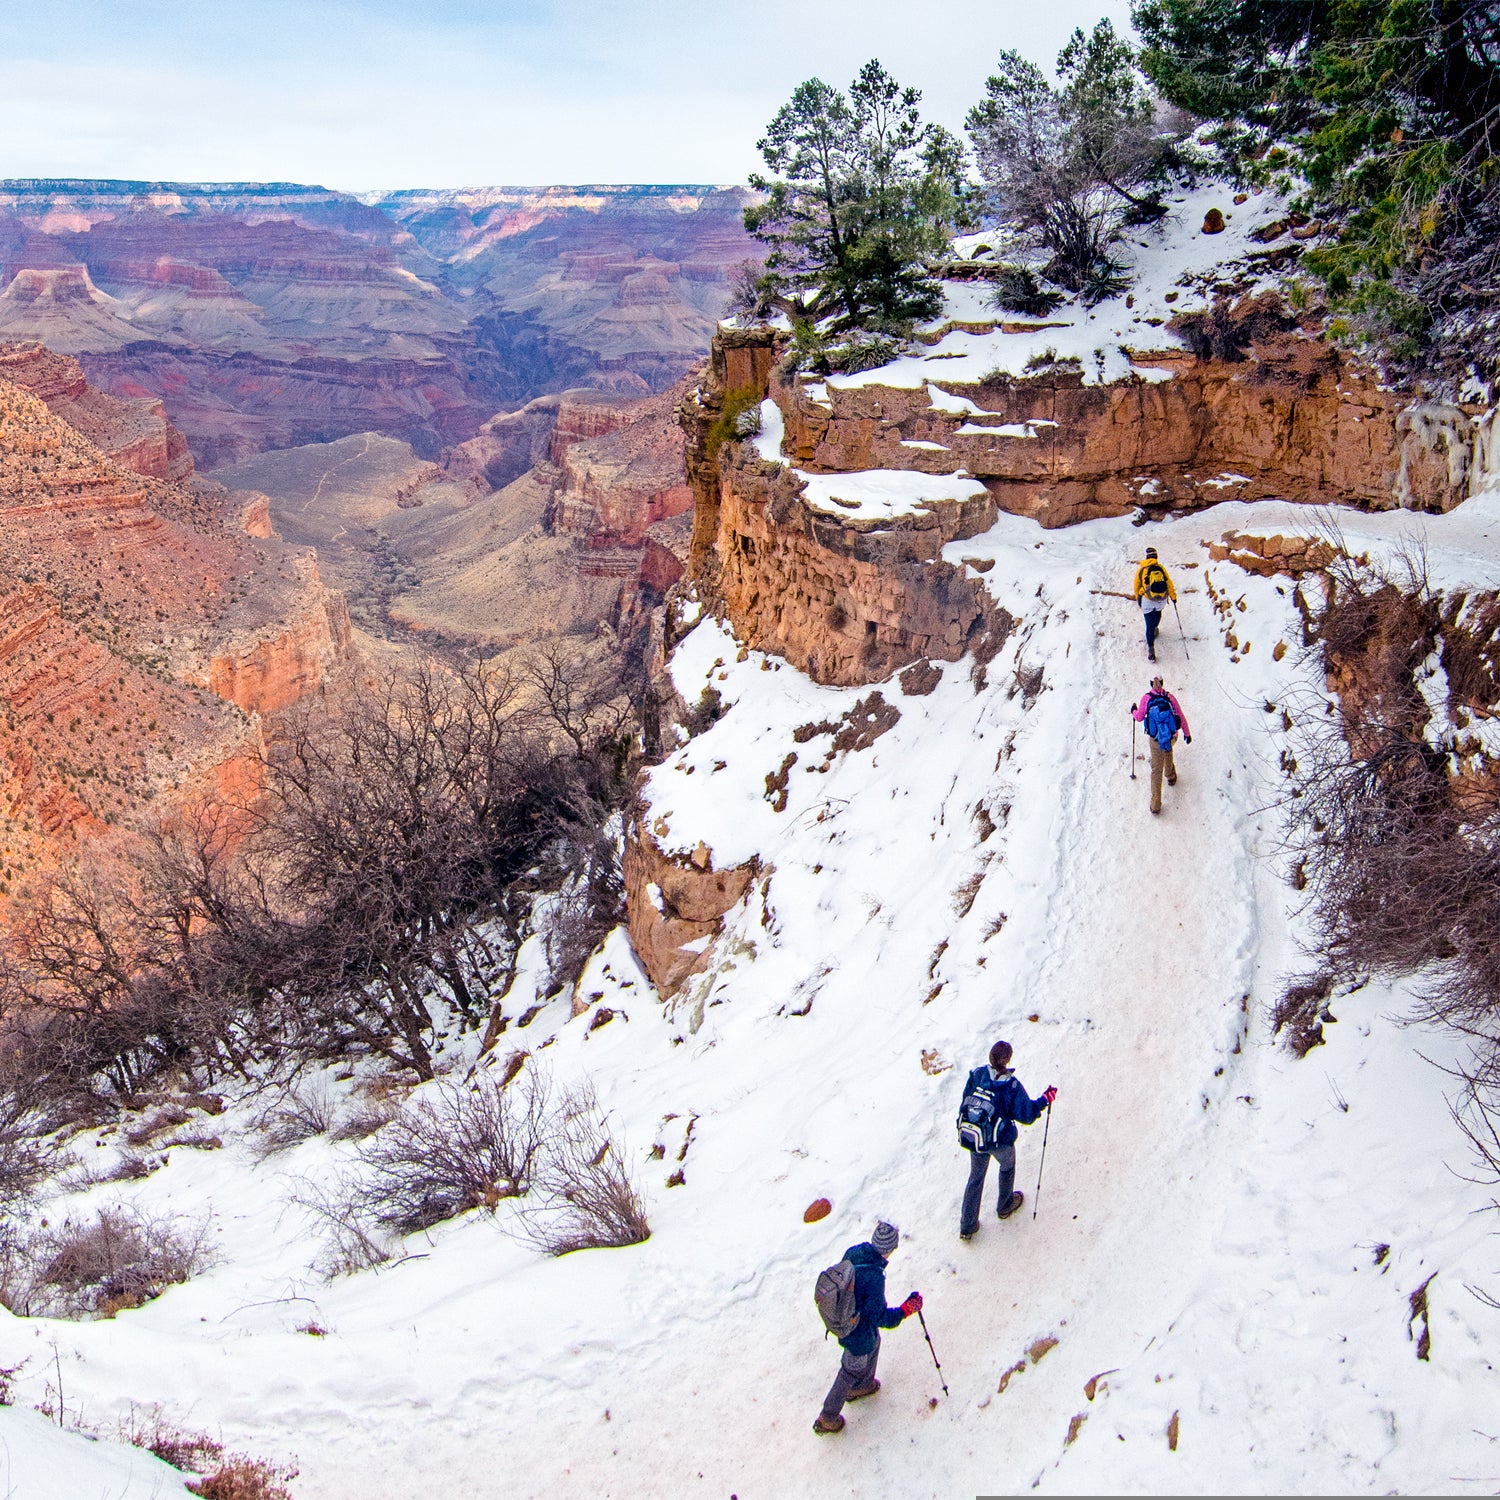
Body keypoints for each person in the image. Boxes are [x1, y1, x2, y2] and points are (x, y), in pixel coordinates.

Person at [814, 1220, 922, 1435]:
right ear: (889, 1250)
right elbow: (880, 1317)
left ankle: (863, 1384)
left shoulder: (855, 1253)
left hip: (852, 1320)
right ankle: (828, 1417)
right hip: (856, 1332)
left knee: (875, 1341)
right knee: (850, 1369)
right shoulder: (873, 1277)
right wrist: (905, 1310)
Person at [957, 1041, 1056, 1240]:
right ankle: (1005, 1205)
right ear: (1007, 1059)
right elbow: (1026, 1114)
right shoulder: (1011, 1085)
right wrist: (1045, 1099)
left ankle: (967, 1226)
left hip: (975, 1136)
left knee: (975, 1176)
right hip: (999, 1140)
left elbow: (965, 1099)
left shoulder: (977, 1074)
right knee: (1007, 1165)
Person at [1131, 675, 1192, 815]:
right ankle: (1171, 776)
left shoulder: (1146, 698)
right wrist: (1187, 733)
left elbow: (1139, 717)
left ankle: (1155, 804)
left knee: (1156, 769)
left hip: (1156, 739)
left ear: (1151, 684)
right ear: (1162, 683)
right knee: (1168, 752)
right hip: (1171, 736)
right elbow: (1180, 715)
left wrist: (1133, 710)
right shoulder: (1169, 697)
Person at [1131, 547, 1177, 662]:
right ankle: (1155, 628)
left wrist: (1139, 599)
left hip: (1147, 600)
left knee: (1148, 624)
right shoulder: (1161, 568)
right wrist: (1173, 597)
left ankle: (1151, 648)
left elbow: (1136, 586)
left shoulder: (1141, 570)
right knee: (1158, 614)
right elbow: (1169, 583)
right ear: (1156, 557)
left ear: (1147, 557)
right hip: (1161, 600)